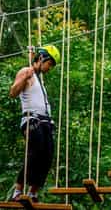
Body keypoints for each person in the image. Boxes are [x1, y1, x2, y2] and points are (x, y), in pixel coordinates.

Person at [8, 45, 60, 203]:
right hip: (32, 120)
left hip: (45, 122)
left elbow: (35, 66)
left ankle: (33, 193)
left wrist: (32, 57)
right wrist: (25, 77)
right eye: (49, 64)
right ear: (42, 58)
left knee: (47, 156)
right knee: (35, 153)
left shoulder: (39, 79)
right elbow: (13, 93)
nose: (49, 68)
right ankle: (17, 190)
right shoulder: (26, 72)